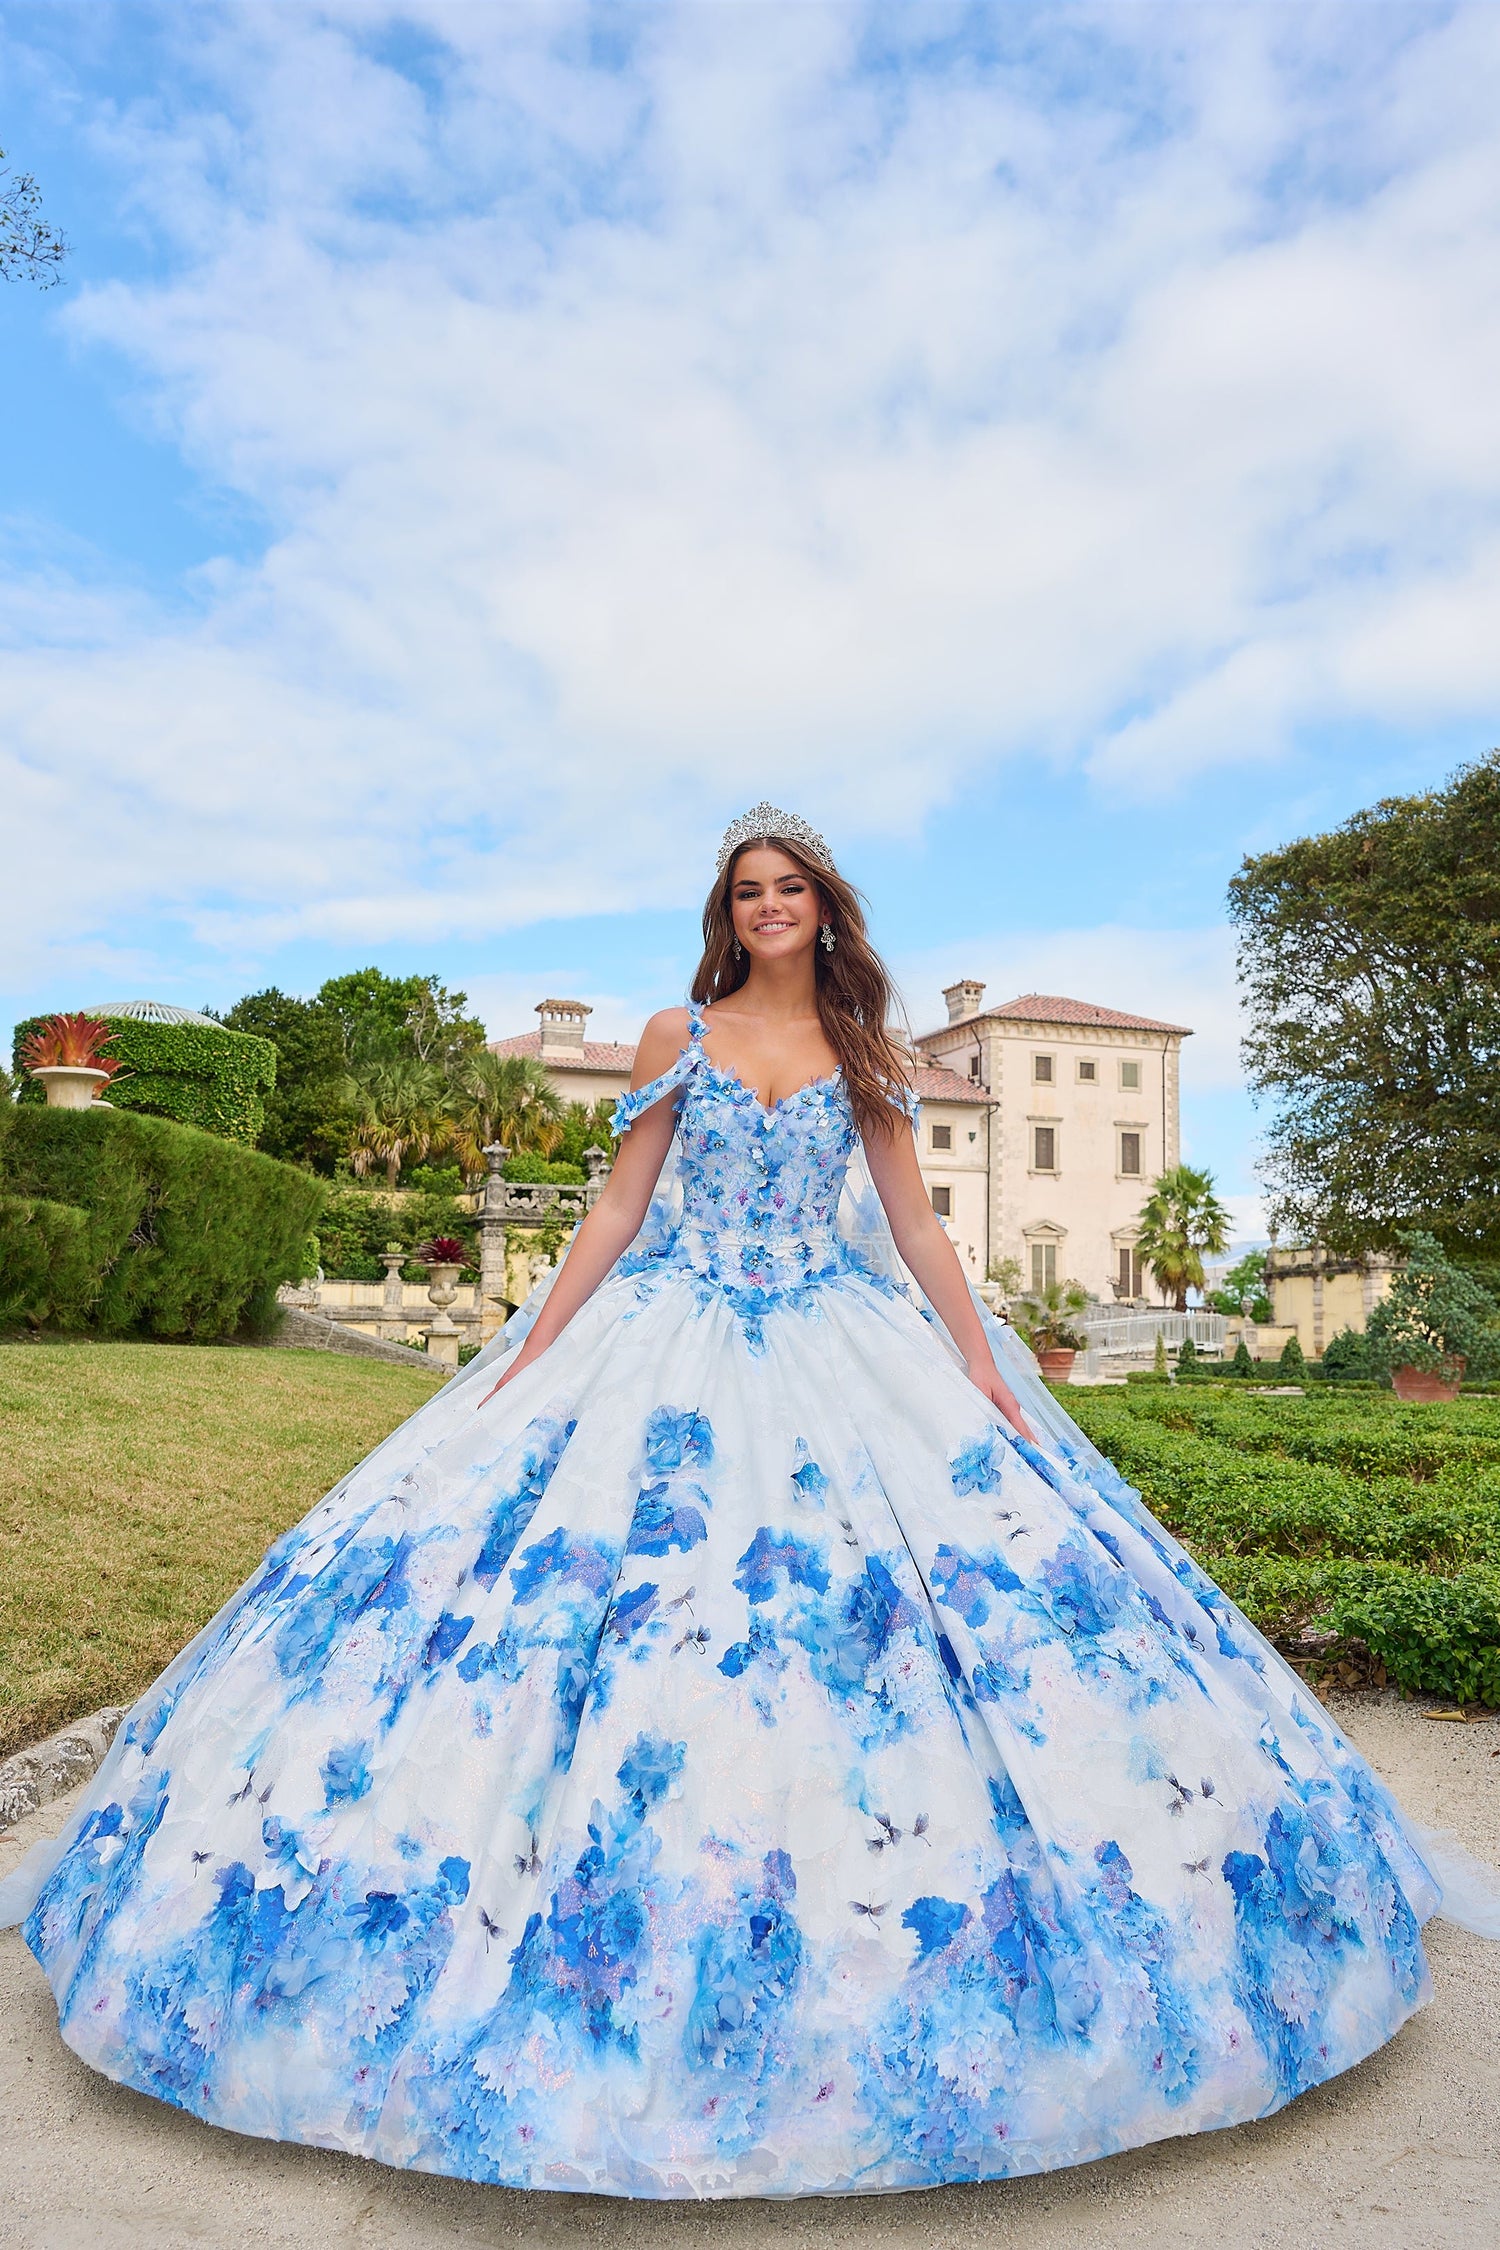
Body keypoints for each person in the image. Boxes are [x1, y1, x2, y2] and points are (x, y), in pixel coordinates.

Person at [2, 805, 1493, 2200]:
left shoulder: (869, 1052)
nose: (769, 906)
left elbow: (915, 1225)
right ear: (728, 915)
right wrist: (536, 1342)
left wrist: (981, 1367)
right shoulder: (681, 1033)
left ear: (824, 910)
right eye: (747, 892)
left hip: (841, 1337)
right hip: (668, 1334)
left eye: (788, 889)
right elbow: (618, 1203)